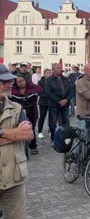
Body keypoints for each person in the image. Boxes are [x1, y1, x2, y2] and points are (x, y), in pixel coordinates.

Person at [0, 64, 34, 219]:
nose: (9, 85)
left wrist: (3, 134)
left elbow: (28, 134)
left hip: (13, 177)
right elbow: (20, 134)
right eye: (3, 81)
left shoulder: (16, 107)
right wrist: (14, 134)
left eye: (10, 81)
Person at [10, 75, 43, 155]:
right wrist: (16, 95)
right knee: (18, 126)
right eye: (19, 82)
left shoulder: (30, 85)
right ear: (16, 83)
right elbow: (10, 93)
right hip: (18, 111)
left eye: (22, 80)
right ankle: (18, 145)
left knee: (31, 127)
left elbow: (40, 89)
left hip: (32, 110)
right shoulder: (14, 89)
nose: (21, 83)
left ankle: (33, 146)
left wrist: (32, 93)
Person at [45, 63, 73, 141]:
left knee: (66, 122)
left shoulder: (66, 79)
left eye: (60, 68)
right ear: (53, 70)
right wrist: (58, 100)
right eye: (57, 68)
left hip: (65, 104)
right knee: (53, 123)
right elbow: (48, 92)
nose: (60, 69)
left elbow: (71, 91)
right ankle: (53, 139)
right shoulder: (49, 80)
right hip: (54, 105)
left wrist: (66, 100)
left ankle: (65, 139)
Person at [37, 68, 52, 139]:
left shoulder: (53, 81)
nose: (49, 74)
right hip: (43, 102)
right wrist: (49, 95)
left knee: (51, 117)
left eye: (50, 73)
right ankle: (40, 131)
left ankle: (50, 130)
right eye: (47, 73)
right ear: (44, 74)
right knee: (42, 117)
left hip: (52, 102)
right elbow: (40, 92)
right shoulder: (40, 82)